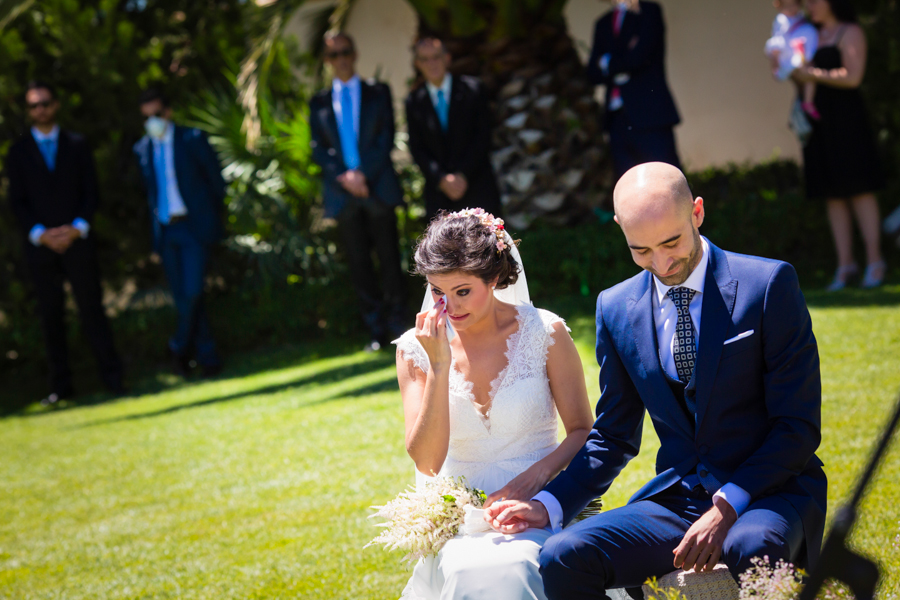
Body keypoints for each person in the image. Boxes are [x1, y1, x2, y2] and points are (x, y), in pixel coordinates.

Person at [486, 163, 827, 600]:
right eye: (641, 250)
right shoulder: (615, 308)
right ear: (620, 230)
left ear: (697, 212)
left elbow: (796, 427)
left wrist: (727, 506)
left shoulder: (769, 285)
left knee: (752, 545)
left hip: (771, 491)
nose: (662, 264)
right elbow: (612, 435)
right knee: (564, 554)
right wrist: (547, 505)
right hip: (680, 500)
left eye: (672, 242)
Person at [393, 208, 593, 599]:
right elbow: (427, 461)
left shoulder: (544, 331)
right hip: (458, 516)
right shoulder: (414, 349)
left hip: (538, 506)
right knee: (467, 570)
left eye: (462, 291)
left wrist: (537, 479)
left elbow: (583, 430)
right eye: (438, 292)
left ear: (496, 277)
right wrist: (438, 365)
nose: (448, 307)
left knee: (516, 567)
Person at [6, 81, 124, 404]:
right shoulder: (18, 153)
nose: (40, 109)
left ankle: (113, 379)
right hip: (41, 247)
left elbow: (91, 192)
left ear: (55, 105)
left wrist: (76, 229)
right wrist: (41, 234)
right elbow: (18, 202)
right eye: (34, 106)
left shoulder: (77, 144)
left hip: (78, 241)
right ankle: (60, 386)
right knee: (50, 315)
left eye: (45, 103)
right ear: (28, 111)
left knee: (92, 310)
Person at [309, 32, 408, 352]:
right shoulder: (319, 102)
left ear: (355, 52)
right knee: (359, 265)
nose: (341, 58)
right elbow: (319, 150)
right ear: (327, 59)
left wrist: (363, 173)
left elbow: (385, 137)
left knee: (391, 259)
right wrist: (346, 178)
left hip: (378, 187)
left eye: (346, 51)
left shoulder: (377, 92)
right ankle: (376, 331)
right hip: (344, 195)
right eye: (334, 54)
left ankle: (399, 326)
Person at [792, 0, 886, 290]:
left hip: (847, 121)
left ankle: (875, 261)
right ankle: (845, 266)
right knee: (831, 193)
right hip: (818, 123)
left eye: (815, 0)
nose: (810, 5)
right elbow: (795, 72)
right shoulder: (806, 34)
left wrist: (813, 74)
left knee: (859, 189)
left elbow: (853, 76)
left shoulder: (851, 31)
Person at [133, 88, 225, 376]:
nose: (153, 122)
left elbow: (216, 184)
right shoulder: (143, 149)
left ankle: (177, 346)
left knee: (194, 292)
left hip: (192, 228)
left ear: (168, 112)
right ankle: (205, 359)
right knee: (184, 298)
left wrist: (212, 221)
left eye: (157, 115)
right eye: (147, 117)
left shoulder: (192, 139)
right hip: (166, 231)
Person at [405, 37, 503, 221]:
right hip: (440, 195)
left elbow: (483, 136)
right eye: (425, 59)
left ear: (447, 58)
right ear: (417, 64)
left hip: (477, 185)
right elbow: (417, 148)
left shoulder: (473, 89)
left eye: (436, 57)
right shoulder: (414, 101)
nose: (431, 63)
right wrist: (442, 179)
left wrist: (462, 175)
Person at [586, 0, 682, 179]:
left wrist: (607, 62)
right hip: (616, 119)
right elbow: (592, 73)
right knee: (627, 184)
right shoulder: (603, 23)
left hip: (650, 114)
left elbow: (640, 57)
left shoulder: (648, 12)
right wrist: (623, 60)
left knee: (666, 181)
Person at [764, 0, 819, 120]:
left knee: (809, 74)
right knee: (807, 74)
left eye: (793, 4)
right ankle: (807, 103)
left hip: (797, 58)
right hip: (787, 60)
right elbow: (777, 39)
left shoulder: (802, 20)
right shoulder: (780, 20)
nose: (791, 8)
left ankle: (808, 102)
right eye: (787, 6)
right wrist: (775, 60)